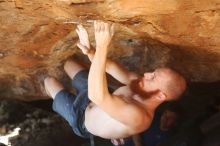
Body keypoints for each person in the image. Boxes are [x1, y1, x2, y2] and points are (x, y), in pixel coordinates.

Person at [44, 21, 186, 140]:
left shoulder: (139, 117)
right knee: (69, 63)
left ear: (161, 95)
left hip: (81, 119)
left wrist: (102, 46)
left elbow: (98, 96)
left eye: (153, 77)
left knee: (49, 81)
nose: (147, 74)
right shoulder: (139, 84)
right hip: (93, 94)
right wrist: (91, 51)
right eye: (153, 72)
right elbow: (110, 67)